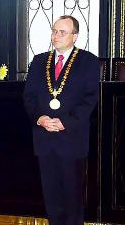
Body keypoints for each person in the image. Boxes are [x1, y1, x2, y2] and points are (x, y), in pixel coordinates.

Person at [23, 15, 99, 225]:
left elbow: (90, 99)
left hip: (71, 138)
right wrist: (40, 118)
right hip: (44, 137)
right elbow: (28, 97)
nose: (55, 36)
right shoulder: (39, 61)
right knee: (51, 196)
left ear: (74, 36)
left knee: (72, 196)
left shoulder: (88, 61)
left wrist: (66, 121)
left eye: (62, 32)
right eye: (54, 31)